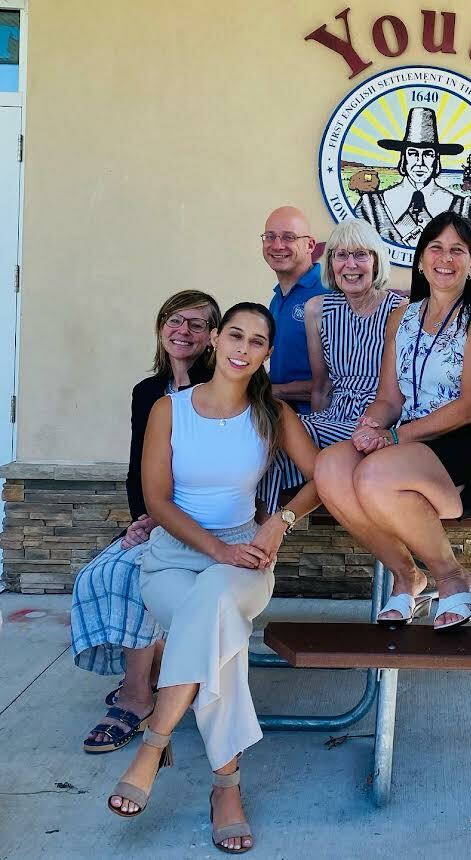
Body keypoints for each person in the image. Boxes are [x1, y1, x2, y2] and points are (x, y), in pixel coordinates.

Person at [107, 302, 321, 854]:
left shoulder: (272, 413)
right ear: (216, 340)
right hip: (173, 559)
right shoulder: (168, 410)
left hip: (246, 559)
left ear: (266, 354)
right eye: (234, 335)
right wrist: (215, 549)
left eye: (256, 341)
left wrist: (280, 522)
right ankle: (226, 788)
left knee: (216, 612)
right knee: (221, 637)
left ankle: (152, 745)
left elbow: (323, 478)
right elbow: (156, 498)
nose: (241, 348)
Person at [315, 212, 471, 630]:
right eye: (435, 248)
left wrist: (396, 436)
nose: (445, 258)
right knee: (330, 466)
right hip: (406, 442)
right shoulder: (403, 315)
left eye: (458, 250)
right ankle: (408, 576)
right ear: (419, 260)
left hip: (461, 442)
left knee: (373, 476)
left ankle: (454, 576)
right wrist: (371, 424)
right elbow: (388, 397)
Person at [71, 290, 221, 754]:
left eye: (197, 324)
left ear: (212, 337)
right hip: (154, 517)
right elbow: (140, 467)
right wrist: (142, 519)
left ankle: (137, 697)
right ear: (161, 328)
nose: (184, 331)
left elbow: (220, 469)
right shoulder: (147, 392)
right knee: (97, 574)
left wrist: (161, 521)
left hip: (204, 521)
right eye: (175, 321)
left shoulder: (221, 388)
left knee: (131, 573)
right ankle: (151, 666)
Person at [258, 218, 404, 512]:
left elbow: (397, 392)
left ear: (376, 262)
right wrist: (313, 432)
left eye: (361, 254)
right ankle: (257, 536)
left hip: (374, 422)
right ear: (331, 262)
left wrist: (310, 433)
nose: (350, 264)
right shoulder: (319, 309)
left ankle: (268, 532)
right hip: (331, 418)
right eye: (341, 255)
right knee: (264, 441)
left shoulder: (399, 310)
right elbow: (322, 386)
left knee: (278, 434)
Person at [356, 108, 471, 246]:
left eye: (427, 154)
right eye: (413, 154)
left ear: (436, 159)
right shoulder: (371, 208)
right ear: (403, 157)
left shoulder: (463, 208)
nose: (420, 163)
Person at [262, 205, 327, 414]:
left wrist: (268, 391)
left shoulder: (328, 296)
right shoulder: (276, 298)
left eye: (289, 237)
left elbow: (340, 381)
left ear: (310, 245)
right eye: (270, 236)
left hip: (317, 426)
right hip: (280, 417)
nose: (277, 245)